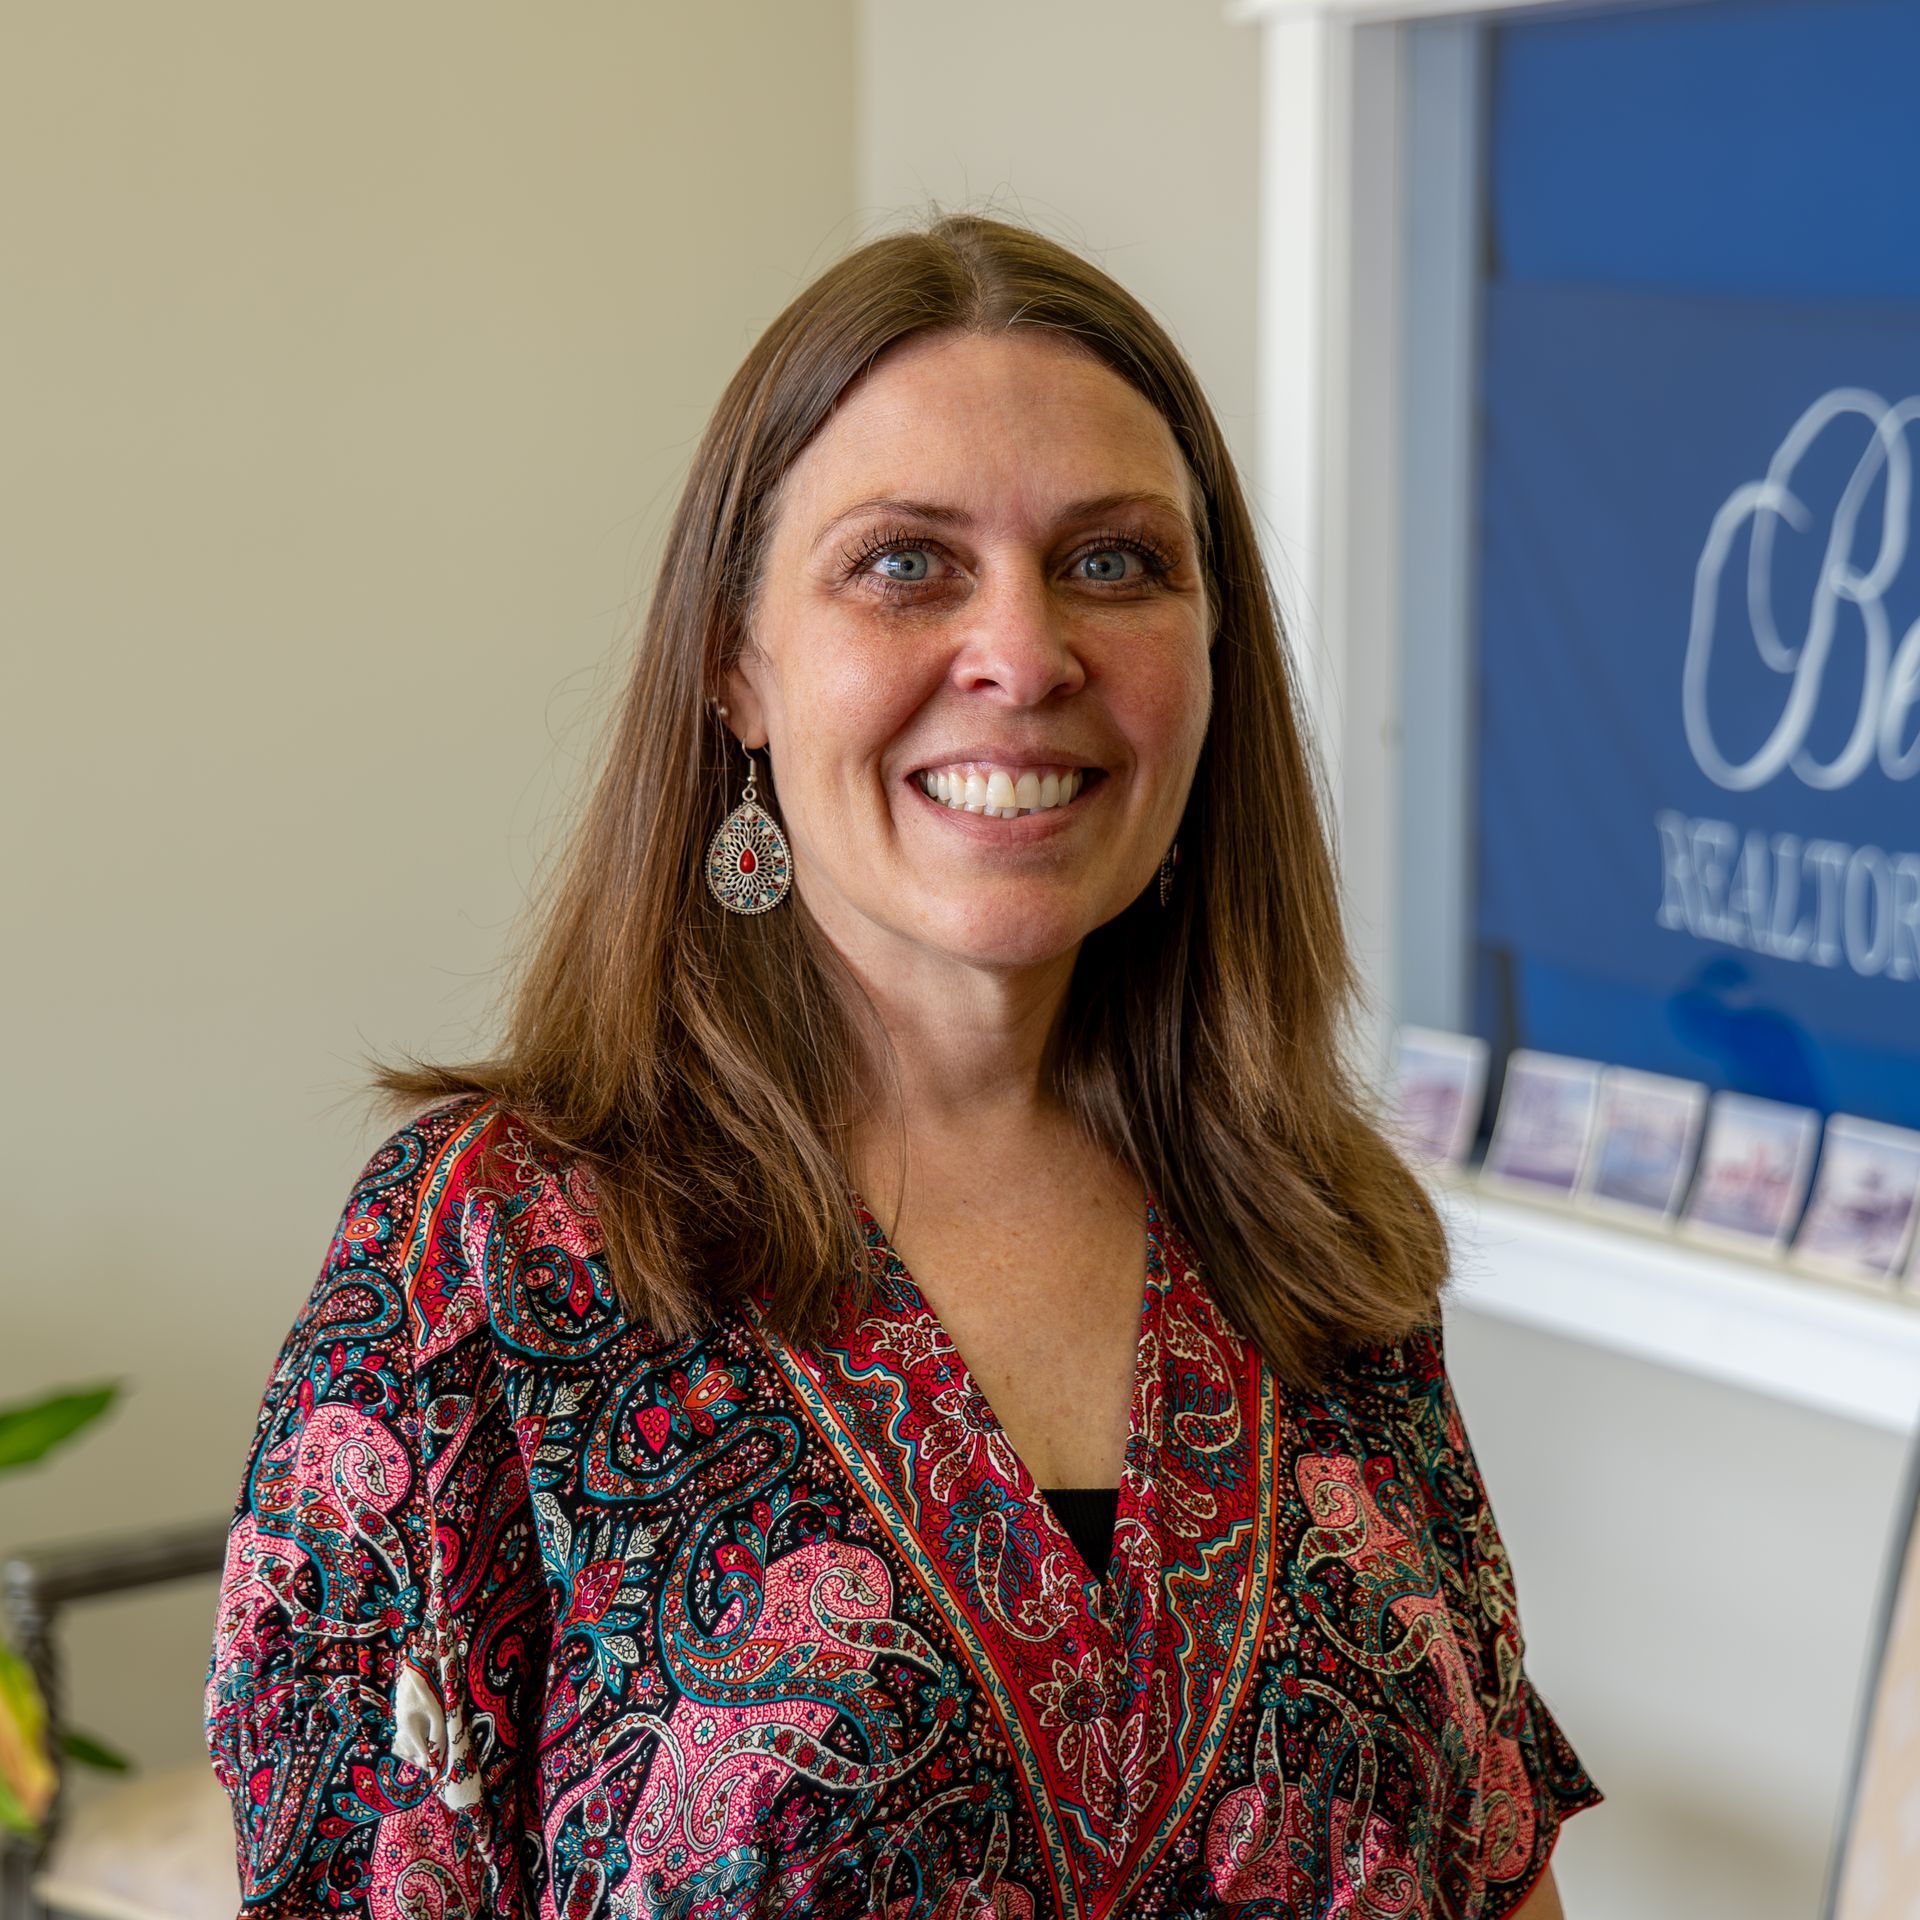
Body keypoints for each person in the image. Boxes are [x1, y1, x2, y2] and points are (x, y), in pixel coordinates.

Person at [204, 211, 1601, 1918]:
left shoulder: (1313, 1231)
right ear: (737, 667)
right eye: (903, 564)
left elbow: (1491, 1867)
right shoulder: (485, 1262)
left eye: (1112, 562)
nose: (1023, 654)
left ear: (1213, 658)